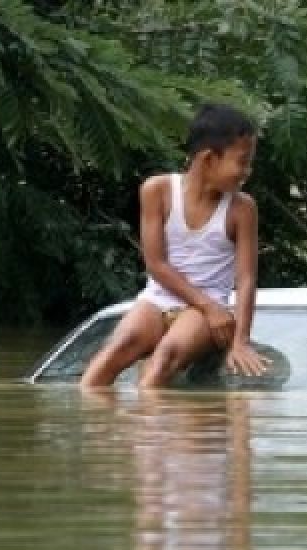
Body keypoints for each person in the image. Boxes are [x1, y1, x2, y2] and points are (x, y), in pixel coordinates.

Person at [81, 103, 269, 389]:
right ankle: (94, 427)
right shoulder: (157, 190)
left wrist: (240, 340)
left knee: (164, 359)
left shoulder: (242, 209)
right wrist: (209, 307)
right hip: (160, 298)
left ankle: (153, 431)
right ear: (208, 159)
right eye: (242, 161)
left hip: (207, 311)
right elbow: (156, 265)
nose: (247, 171)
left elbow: (246, 279)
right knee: (117, 349)